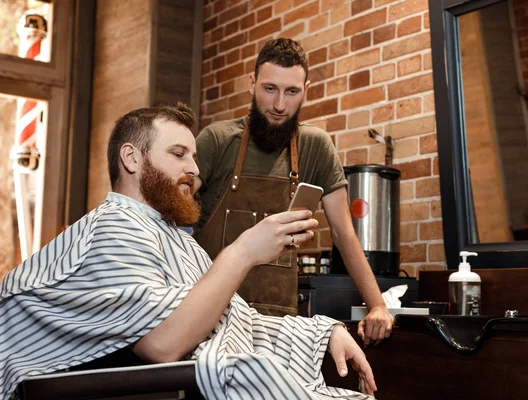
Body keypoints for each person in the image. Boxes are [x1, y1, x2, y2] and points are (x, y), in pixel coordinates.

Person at [0, 104, 377, 400]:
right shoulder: (115, 227)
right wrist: (243, 251)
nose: (193, 169)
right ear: (131, 159)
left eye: (193, 157)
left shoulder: (171, 235)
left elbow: (231, 321)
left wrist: (323, 331)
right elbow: (162, 344)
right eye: (179, 154)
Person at [193, 38, 394, 345]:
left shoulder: (315, 147)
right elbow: (170, 216)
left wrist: (377, 305)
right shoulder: (217, 141)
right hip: (209, 319)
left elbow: (343, 234)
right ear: (252, 83)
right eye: (269, 88)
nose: (279, 105)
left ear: (306, 91)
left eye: (291, 92)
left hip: (278, 326)